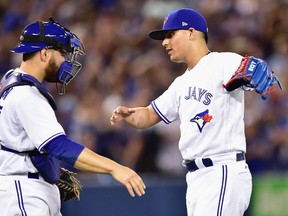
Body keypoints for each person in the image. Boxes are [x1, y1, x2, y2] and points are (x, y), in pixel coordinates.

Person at [110, 8, 281, 216]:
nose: (164, 42)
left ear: (191, 32)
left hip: (222, 169)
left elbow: (254, 67)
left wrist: (257, 69)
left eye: (170, 34)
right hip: (196, 178)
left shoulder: (222, 62)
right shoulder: (181, 83)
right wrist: (128, 115)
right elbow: (148, 115)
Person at [0, 18, 145, 216]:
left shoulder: (11, 80)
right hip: (24, 192)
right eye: (61, 54)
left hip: (26, 186)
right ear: (44, 53)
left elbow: (21, 141)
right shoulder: (26, 95)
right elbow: (59, 146)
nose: (65, 61)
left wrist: (46, 165)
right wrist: (114, 168)